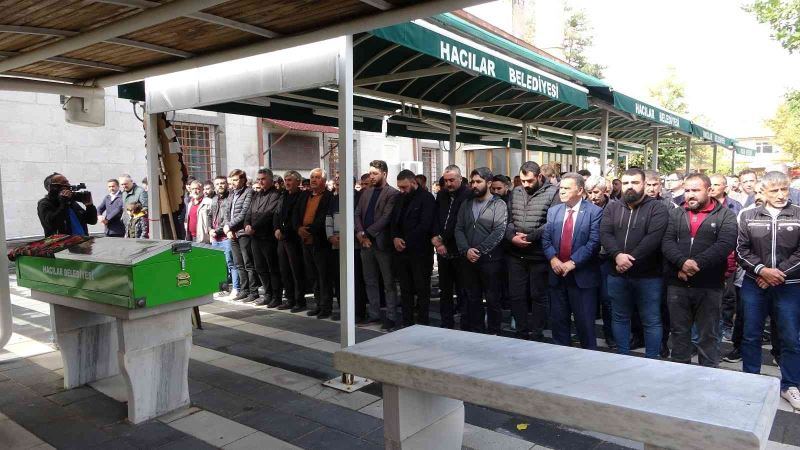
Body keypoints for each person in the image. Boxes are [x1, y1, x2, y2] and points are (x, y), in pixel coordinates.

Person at [736, 171, 800, 408]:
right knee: (751, 334)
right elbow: (741, 250)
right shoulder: (748, 215)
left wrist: (776, 274)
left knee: (790, 337)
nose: (781, 194)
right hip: (755, 284)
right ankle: (751, 381)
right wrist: (762, 271)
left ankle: (790, 385)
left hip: (789, 285)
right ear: (762, 191)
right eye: (774, 190)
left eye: (784, 189)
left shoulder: (798, 214)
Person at [661, 174, 737, 367]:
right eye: (687, 190)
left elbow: (725, 244)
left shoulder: (725, 215)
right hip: (678, 284)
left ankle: (708, 375)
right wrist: (681, 263)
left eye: (696, 190)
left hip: (709, 286)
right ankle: (680, 373)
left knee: (708, 335)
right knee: (679, 333)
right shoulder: (676, 213)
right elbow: (667, 242)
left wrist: (695, 264)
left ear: (709, 190)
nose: (690, 195)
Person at [600, 168, 669, 358]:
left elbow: (653, 239)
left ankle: (652, 359)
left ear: (644, 184)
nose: (630, 186)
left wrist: (628, 260)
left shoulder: (657, 208)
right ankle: (622, 356)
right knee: (620, 317)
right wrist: (617, 255)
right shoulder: (612, 207)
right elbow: (605, 233)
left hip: (649, 276)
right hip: (617, 274)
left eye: (635, 182)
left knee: (651, 320)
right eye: (626, 183)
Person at [542, 173, 602, 349]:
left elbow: (593, 242)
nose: (561, 191)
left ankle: (589, 358)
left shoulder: (594, 212)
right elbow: (546, 239)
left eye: (567, 188)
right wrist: (553, 259)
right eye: (561, 188)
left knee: (585, 325)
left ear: (580, 190)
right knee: (559, 323)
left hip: (582, 277)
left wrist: (573, 262)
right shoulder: (553, 211)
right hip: (557, 275)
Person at [505, 161, 559, 340]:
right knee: (516, 295)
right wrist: (512, 237)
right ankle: (521, 331)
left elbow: (551, 222)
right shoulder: (516, 192)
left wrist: (530, 237)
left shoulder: (553, 192)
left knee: (538, 295)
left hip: (538, 254)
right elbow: (508, 219)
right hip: (515, 253)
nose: (526, 184)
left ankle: (537, 333)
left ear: (539, 177)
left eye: (529, 181)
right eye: (523, 181)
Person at [455, 167, 507, 334]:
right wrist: (466, 250)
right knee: (472, 298)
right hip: (469, 260)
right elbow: (459, 228)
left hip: (490, 260)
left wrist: (478, 250)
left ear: (489, 183)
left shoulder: (499, 204)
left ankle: (494, 332)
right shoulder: (466, 204)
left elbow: (499, 231)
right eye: (472, 182)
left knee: (493, 299)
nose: (474, 185)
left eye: (478, 181)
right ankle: (477, 331)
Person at [356, 160, 400, 330]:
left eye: (375, 173)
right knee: (370, 280)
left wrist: (366, 233)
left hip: (382, 243)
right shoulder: (366, 192)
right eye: (370, 173)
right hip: (365, 244)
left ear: (384, 174)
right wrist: (360, 233)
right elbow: (357, 213)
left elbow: (386, 218)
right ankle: (374, 314)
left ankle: (391, 316)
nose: (371, 176)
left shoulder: (392, 193)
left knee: (388, 282)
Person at [391, 170, 436, 327]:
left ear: (413, 182)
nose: (402, 190)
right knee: (405, 289)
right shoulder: (400, 198)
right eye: (399, 187)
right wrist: (395, 238)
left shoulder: (426, 198)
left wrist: (405, 241)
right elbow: (394, 221)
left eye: (404, 187)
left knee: (422, 288)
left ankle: (423, 322)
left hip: (420, 252)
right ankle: (407, 321)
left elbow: (425, 225)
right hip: (402, 252)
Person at [432, 165, 473, 330]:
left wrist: (441, 239)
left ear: (460, 179)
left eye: (452, 180)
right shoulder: (441, 195)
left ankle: (465, 324)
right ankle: (446, 322)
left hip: (460, 249)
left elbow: (459, 221)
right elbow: (435, 217)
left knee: (463, 290)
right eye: (446, 180)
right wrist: (435, 237)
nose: (448, 183)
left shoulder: (468, 195)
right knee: (445, 289)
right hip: (442, 250)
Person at [294, 168, 334, 318]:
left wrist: (309, 230)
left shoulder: (329, 197)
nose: (313, 180)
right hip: (305, 241)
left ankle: (326, 307)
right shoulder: (305, 195)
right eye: (312, 177)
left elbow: (324, 217)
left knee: (323, 276)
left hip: (320, 241)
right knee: (313, 275)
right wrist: (298, 228)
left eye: (317, 177)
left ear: (324, 180)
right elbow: (296, 214)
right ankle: (318, 304)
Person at [710, 174, 743, 343]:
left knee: (728, 296)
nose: (713, 188)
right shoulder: (704, 204)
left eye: (717, 184)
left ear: (725, 187)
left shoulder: (735, 206)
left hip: (729, 257)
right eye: (711, 184)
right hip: (707, 258)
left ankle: (726, 326)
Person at [585, 175, 614, 347]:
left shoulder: (614, 207)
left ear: (605, 191)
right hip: (588, 258)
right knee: (587, 299)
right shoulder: (584, 207)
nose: (593, 196)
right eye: (589, 192)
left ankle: (611, 336)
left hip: (607, 260)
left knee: (607, 300)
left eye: (596, 192)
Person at [246, 169, 283, 307]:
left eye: (263, 179)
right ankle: (268, 294)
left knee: (272, 268)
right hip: (255, 237)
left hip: (267, 237)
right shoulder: (256, 195)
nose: (260, 181)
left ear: (271, 180)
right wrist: (246, 224)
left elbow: (268, 213)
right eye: (259, 179)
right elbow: (249, 211)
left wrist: (253, 227)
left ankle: (276, 296)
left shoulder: (276, 194)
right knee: (260, 267)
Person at [274, 170, 307, 313]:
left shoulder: (302, 196)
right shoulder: (283, 195)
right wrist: (276, 228)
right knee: (284, 269)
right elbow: (277, 214)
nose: (287, 183)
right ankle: (289, 298)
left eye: (290, 180)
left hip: (293, 238)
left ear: (298, 182)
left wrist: (284, 231)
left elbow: (296, 217)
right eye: (285, 180)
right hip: (282, 239)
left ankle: (300, 300)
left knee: (296, 270)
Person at [224, 169, 257, 302]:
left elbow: (244, 213)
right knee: (238, 264)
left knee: (248, 263)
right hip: (233, 233)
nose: (233, 183)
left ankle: (253, 291)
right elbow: (227, 212)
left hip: (243, 232)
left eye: (236, 180)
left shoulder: (249, 192)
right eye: (232, 180)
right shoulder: (232, 193)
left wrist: (230, 226)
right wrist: (229, 229)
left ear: (243, 180)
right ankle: (244, 290)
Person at [209, 175, 238, 295]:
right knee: (219, 264)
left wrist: (217, 230)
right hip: (215, 237)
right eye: (217, 184)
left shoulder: (231, 198)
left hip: (226, 236)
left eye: (222, 183)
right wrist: (210, 229)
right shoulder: (214, 198)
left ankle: (236, 288)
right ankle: (223, 288)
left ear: (226, 184)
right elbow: (210, 215)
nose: (220, 185)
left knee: (231, 263)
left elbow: (228, 218)